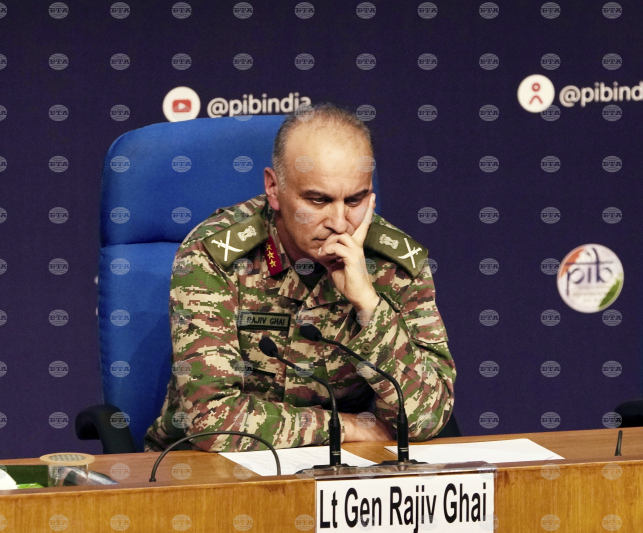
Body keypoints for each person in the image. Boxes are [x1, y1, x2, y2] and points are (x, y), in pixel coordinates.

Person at [145, 104, 455, 452]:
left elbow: (426, 417)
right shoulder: (214, 254)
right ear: (273, 188)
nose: (339, 223)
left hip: (343, 470)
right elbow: (212, 421)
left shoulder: (393, 264)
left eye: (355, 200)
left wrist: (369, 306)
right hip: (210, 468)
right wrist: (345, 426)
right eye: (318, 200)